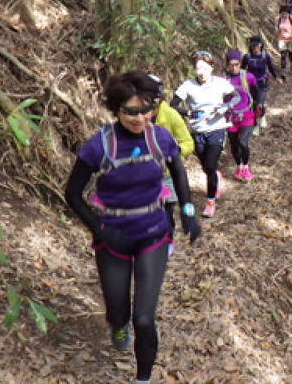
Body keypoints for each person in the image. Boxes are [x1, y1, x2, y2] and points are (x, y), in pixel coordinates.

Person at [63, 71, 201, 384]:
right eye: (130, 111)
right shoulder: (99, 145)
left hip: (153, 233)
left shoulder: (161, 138)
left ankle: (143, 379)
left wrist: (188, 212)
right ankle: (117, 323)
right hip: (112, 237)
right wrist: (98, 228)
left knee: (144, 318)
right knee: (118, 314)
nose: (139, 118)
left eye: (146, 109)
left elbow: (178, 173)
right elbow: (72, 193)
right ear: (115, 110)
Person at [171, 50, 241, 218]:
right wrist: (188, 113)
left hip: (216, 129)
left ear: (211, 68)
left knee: (209, 164)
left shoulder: (219, 83)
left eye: (204, 68)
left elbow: (236, 96)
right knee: (206, 166)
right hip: (197, 131)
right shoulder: (188, 85)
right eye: (197, 68)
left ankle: (210, 202)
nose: (201, 72)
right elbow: (173, 104)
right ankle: (216, 175)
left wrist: (226, 107)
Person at [148, 74, 194, 241]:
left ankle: (167, 243)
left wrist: (172, 153)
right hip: (143, 176)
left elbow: (188, 143)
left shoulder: (171, 115)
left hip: (167, 174)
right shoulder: (134, 117)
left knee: (166, 212)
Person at [223, 49, 260, 181]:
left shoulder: (248, 77)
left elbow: (256, 94)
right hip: (230, 116)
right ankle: (238, 166)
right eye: (231, 65)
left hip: (246, 115)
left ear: (240, 63)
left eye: (237, 64)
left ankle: (246, 166)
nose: (234, 67)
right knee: (233, 145)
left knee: (243, 143)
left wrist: (258, 111)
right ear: (227, 65)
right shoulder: (223, 80)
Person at [241, 35, 282, 134]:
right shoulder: (247, 57)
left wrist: (276, 77)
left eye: (256, 45)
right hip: (251, 84)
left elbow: (271, 68)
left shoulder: (265, 56)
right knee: (253, 104)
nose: (254, 48)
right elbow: (242, 70)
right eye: (252, 46)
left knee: (259, 104)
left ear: (261, 45)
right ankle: (255, 125)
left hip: (262, 82)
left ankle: (262, 115)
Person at [275, 4, 292, 73]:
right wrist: (277, 31)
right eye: (283, 13)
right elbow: (276, 26)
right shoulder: (277, 19)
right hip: (281, 39)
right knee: (283, 54)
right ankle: (283, 69)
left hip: (291, 39)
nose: (284, 15)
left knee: (291, 54)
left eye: (286, 14)